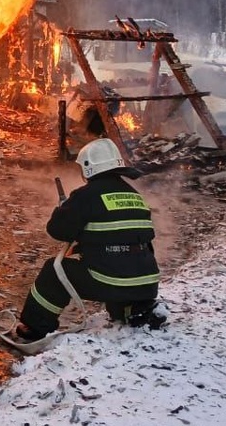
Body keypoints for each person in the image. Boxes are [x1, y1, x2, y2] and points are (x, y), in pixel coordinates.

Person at [15, 137, 167, 343]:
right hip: (146, 284)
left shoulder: (86, 195)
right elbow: (125, 237)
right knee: (118, 272)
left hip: (114, 281)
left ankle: (32, 327)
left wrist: (63, 210)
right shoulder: (134, 195)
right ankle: (134, 310)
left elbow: (57, 230)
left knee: (54, 272)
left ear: (88, 167)